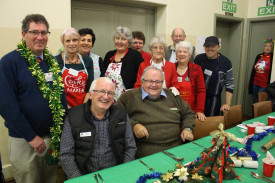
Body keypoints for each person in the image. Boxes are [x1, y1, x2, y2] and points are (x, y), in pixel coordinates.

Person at [0, 14, 67, 183]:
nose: (40, 37)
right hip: (24, 140)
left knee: (51, 178)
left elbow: (60, 96)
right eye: (34, 32)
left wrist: (62, 129)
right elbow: (6, 105)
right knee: (29, 179)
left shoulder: (52, 62)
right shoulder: (9, 62)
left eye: (44, 33)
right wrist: (30, 136)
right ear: (24, 34)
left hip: (51, 137)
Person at [60, 77, 136, 179]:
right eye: (101, 91)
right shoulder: (73, 116)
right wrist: (79, 179)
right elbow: (66, 155)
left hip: (115, 174)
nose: (106, 97)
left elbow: (130, 148)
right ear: (90, 95)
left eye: (110, 93)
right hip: (83, 175)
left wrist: (122, 172)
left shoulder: (121, 115)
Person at [116, 66, 195, 158]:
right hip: (146, 154)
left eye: (158, 82)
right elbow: (115, 116)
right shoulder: (128, 97)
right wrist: (133, 125)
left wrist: (187, 128)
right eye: (150, 81)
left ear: (162, 83)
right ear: (142, 82)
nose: (154, 85)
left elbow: (188, 113)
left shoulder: (173, 95)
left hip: (176, 149)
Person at [194, 36, 234, 117]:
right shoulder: (198, 59)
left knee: (212, 124)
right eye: (207, 46)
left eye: (212, 46)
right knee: (196, 124)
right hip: (197, 98)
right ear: (204, 47)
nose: (209, 49)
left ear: (218, 47)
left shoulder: (226, 62)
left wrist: (227, 104)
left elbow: (229, 84)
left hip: (215, 100)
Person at [55, 27, 94, 108]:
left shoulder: (88, 61)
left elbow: (89, 89)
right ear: (63, 42)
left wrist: (82, 108)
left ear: (79, 41)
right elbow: (55, 89)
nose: (71, 44)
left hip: (83, 107)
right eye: (68, 41)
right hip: (62, 108)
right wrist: (68, 108)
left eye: (75, 40)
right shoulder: (56, 60)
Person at [104, 26, 144, 102]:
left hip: (128, 99)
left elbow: (142, 76)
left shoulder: (135, 55)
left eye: (123, 39)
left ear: (128, 41)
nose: (119, 41)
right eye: (117, 38)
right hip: (108, 98)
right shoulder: (109, 55)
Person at [175, 41, 206, 121]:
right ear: (176, 54)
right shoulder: (171, 67)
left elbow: (201, 91)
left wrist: (199, 110)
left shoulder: (197, 69)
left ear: (189, 56)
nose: (182, 54)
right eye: (179, 51)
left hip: (190, 111)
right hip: (173, 110)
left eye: (185, 52)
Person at [248, 38, 274, 103]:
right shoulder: (259, 56)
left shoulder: (273, 58)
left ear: (272, 48)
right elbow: (253, 70)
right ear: (263, 47)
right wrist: (250, 82)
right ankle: (254, 113)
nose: (267, 48)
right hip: (255, 82)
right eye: (266, 46)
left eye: (270, 46)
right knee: (254, 100)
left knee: (260, 101)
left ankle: (260, 113)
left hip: (265, 84)